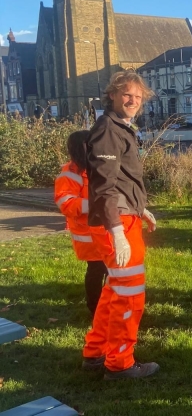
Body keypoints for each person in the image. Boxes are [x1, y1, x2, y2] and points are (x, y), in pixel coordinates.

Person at [81, 71, 159, 380]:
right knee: (129, 295)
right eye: (127, 94)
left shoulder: (119, 128)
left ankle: (96, 352)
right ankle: (120, 363)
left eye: (138, 97)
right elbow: (104, 186)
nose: (133, 101)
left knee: (114, 291)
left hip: (126, 217)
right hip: (118, 224)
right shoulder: (108, 131)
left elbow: (121, 181)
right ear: (112, 95)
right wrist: (117, 232)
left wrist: (142, 209)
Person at [54, 130, 108, 315]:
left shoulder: (96, 168)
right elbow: (66, 203)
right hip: (88, 235)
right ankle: (95, 308)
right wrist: (95, 205)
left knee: (110, 269)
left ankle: (108, 304)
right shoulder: (69, 174)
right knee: (96, 270)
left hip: (103, 230)